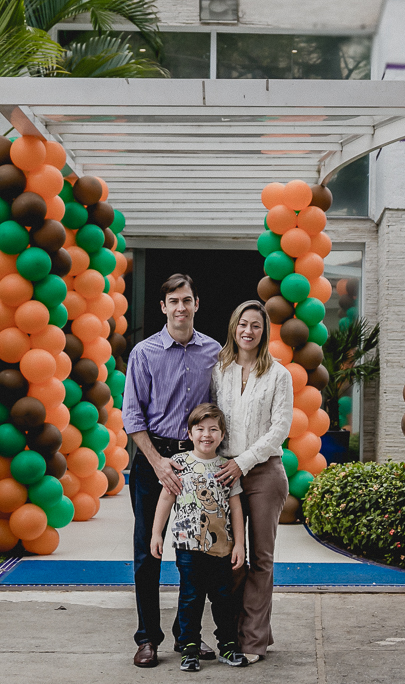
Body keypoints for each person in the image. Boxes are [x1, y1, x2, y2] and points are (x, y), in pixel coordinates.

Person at [123, 274, 222, 669]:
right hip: (154, 462)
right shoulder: (144, 354)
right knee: (149, 552)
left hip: (198, 465)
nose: (180, 307)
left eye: (187, 300)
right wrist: (158, 462)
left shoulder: (214, 352)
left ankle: (188, 638)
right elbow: (133, 418)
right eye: (173, 301)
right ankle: (147, 638)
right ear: (163, 307)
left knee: (194, 555)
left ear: (197, 303)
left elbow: (219, 410)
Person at [211, 300, 293, 664]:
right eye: (242, 324)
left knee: (260, 559)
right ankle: (235, 634)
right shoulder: (219, 369)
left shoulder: (279, 375)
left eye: (256, 326)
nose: (248, 331)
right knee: (230, 559)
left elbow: (279, 430)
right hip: (223, 473)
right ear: (234, 327)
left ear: (264, 331)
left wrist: (244, 463)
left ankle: (253, 641)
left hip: (263, 473)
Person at [150, 403, 249, 671]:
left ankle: (227, 646)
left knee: (223, 598)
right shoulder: (179, 464)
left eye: (213, 429)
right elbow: (166, 497)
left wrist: (240, 544)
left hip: (222, 548)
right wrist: (156, 533)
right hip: (188, 547)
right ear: (189, 433)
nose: (207, 435)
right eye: (200, 429)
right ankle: (189, 647)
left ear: (222, 434)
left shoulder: (228, 467)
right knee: (191, 598)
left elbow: (237, 507)